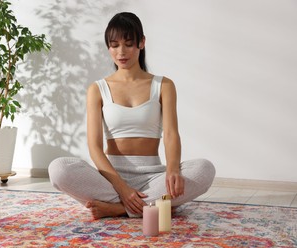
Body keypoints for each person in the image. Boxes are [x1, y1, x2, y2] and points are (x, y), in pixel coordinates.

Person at [48, 12, 215, 219]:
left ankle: (118, 209)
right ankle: (154, 205)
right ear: (108, 47)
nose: (121, 52)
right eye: (114, 45)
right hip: (110, 179)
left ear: (141, 43)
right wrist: (123, 189)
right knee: (58, 169)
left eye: (128, 43)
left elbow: (171, 134)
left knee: (204, 169)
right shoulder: (97, 89)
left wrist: (172, 170)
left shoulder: (163, 85)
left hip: (154, 177)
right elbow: (94, 148)